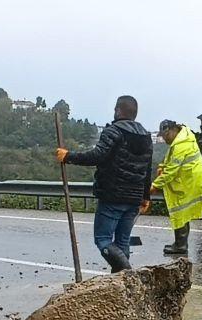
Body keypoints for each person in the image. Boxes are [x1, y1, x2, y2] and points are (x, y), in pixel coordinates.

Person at [57, 95, 153, 272]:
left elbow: (97, 156)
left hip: (113, 195)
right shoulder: (146, 137)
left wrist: (68, 156)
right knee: (122, 241)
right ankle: (122, 283)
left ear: (118, 110)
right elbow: (148, 170)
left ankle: (127, 273)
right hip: (134, 198)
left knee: (103, 239)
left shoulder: (113, 131)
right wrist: (145, 197)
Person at [152, 120, 202, 255]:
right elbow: (170, 161)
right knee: (183, 213)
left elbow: (171, 170)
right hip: (189, 181)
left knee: (180, 212)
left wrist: (155, 185)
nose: (164, 139)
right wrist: (162, 166)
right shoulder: (182, 140)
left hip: (189, 183)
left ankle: (180, 245)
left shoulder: (181, 145)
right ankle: (180, 243)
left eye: (164, 135)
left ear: (170, 131)